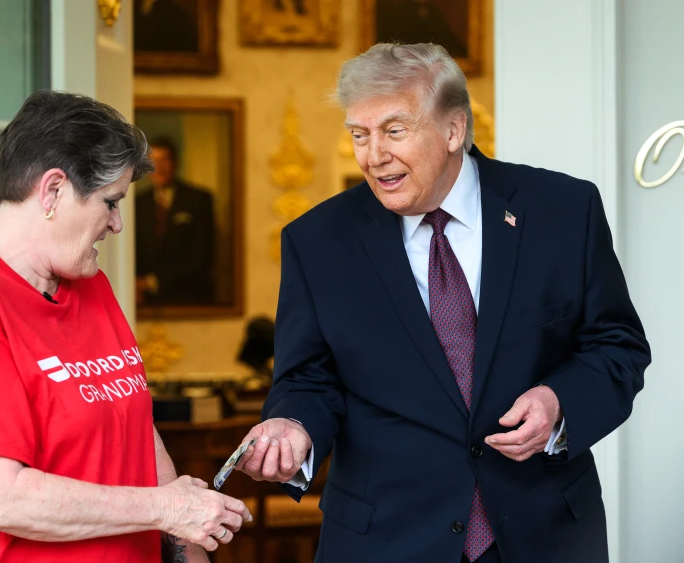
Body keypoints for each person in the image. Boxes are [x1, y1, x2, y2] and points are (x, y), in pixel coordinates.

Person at [236, 43, 650, 563]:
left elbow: (616, 346)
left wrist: (558, 402)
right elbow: (306, 379)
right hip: (385, 542)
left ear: (454, 130)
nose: (373, 155)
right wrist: (292, 425)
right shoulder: (317, 240)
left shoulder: (563, 210)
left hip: (544, 536)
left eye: (394, 130)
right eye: (359, 134)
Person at [0, 90, 250, 563]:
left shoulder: (90, 285)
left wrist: (186, 542)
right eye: (110, 202)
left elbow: (140, 435)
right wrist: (166, 509)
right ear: (53, 191)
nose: (117, 224)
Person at [134, 137, 216, 306]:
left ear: (175, 163)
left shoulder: (198, 199)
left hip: (189, 298)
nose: (158, 167)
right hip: (145, 302)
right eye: (153, 161)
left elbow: (201, 256)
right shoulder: (137, 203)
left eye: (164, 160)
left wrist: (153, 282)